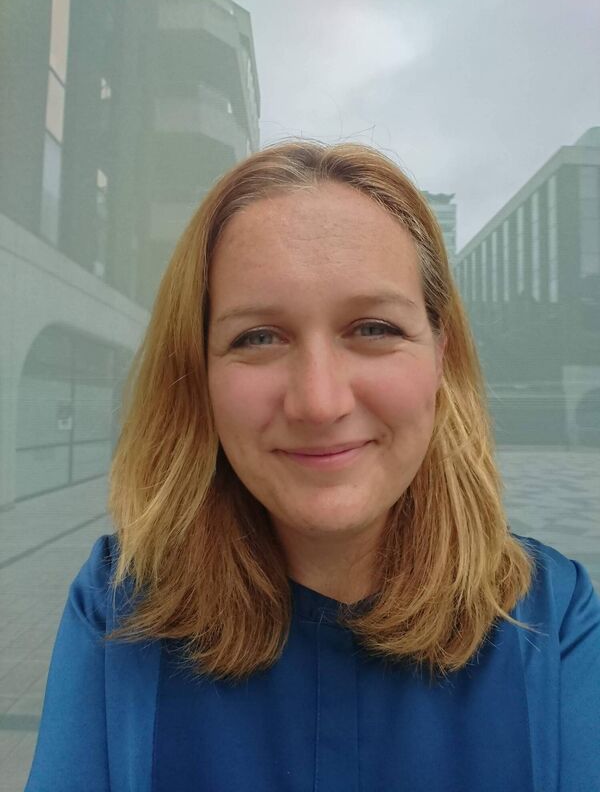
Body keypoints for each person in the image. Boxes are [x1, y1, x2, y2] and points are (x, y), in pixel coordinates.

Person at [25, 140, 600, 792]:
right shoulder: (117, 605)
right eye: (258, 337)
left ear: (441, 355)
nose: (320, 403)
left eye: (374, 328)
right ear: (199, 371)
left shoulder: (553, 618)